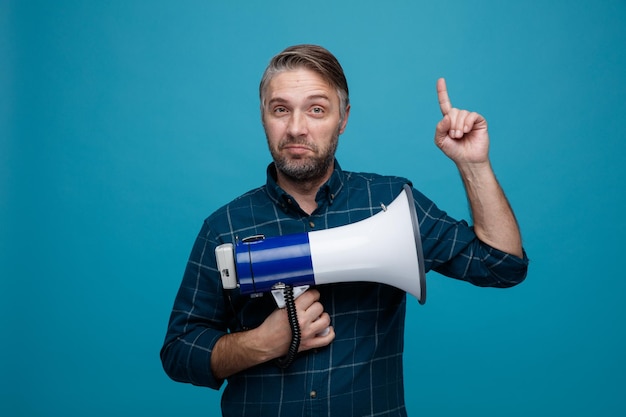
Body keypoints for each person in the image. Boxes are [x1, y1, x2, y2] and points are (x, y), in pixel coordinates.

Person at [160, 44, 528, 416]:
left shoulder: (391, 203)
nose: (296, 128)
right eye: (280, 109)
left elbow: (503, 266)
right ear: (263, 117)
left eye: (316, 109)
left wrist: (473, 164)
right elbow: (178, 352)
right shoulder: (225, 227)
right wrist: (263, 343)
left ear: (344, 118)